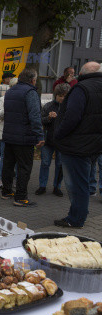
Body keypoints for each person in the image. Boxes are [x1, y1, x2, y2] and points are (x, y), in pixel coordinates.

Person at [54, 61, 102, 228]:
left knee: (77, 184)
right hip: (95, 144)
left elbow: (71, 117)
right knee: (85, 182)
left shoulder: (81, 88)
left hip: (76, 145)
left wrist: (58, 135)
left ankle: (76, 219)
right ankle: (79, 215)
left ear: (81, 73)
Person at [1, 68, 45, 207]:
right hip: (24, 137)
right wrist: (39, 135)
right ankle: (21, 197)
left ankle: (6, 191)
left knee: (8, 165)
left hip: (9, 134)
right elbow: (34, 115)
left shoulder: (10, 91)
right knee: (24, 167)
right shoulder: (30, 92)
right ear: (32, 80)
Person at [35, 83, 71, 197]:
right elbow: (40, 120)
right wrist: (49, 117)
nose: (62, 98)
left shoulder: (70, 107)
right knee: (45, 163)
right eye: (60, 96)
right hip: (48, 140)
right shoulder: (48, 106)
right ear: (56, 95)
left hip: (62, 141)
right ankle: (42, 185)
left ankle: (57, 186)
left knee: (60, 164)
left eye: (65, 96)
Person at [0, 78, 18, 188]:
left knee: (17, 159)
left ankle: (16, 180)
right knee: (5, 158)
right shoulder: (3, 99)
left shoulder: (25, 98)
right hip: (5, 133)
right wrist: (6, 110)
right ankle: (3, 180)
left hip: (18, 134)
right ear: (11, 87)